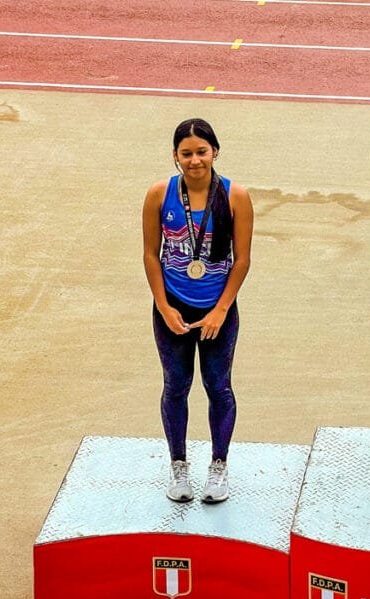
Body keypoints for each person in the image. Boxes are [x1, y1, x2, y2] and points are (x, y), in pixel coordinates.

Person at [142, 118, 254, 503]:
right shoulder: (159, 195)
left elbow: (241, 261)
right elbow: (151, 256)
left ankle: (218, 467)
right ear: (175, 156)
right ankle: (178, 466)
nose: (194, 161)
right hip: (173, 310)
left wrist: (221, 310)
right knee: (176, 386)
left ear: (215, 152)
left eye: (201, 152)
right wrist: (163, 305)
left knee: (218, 387)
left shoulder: (235, 196)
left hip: (217, 313)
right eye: (186, 154)